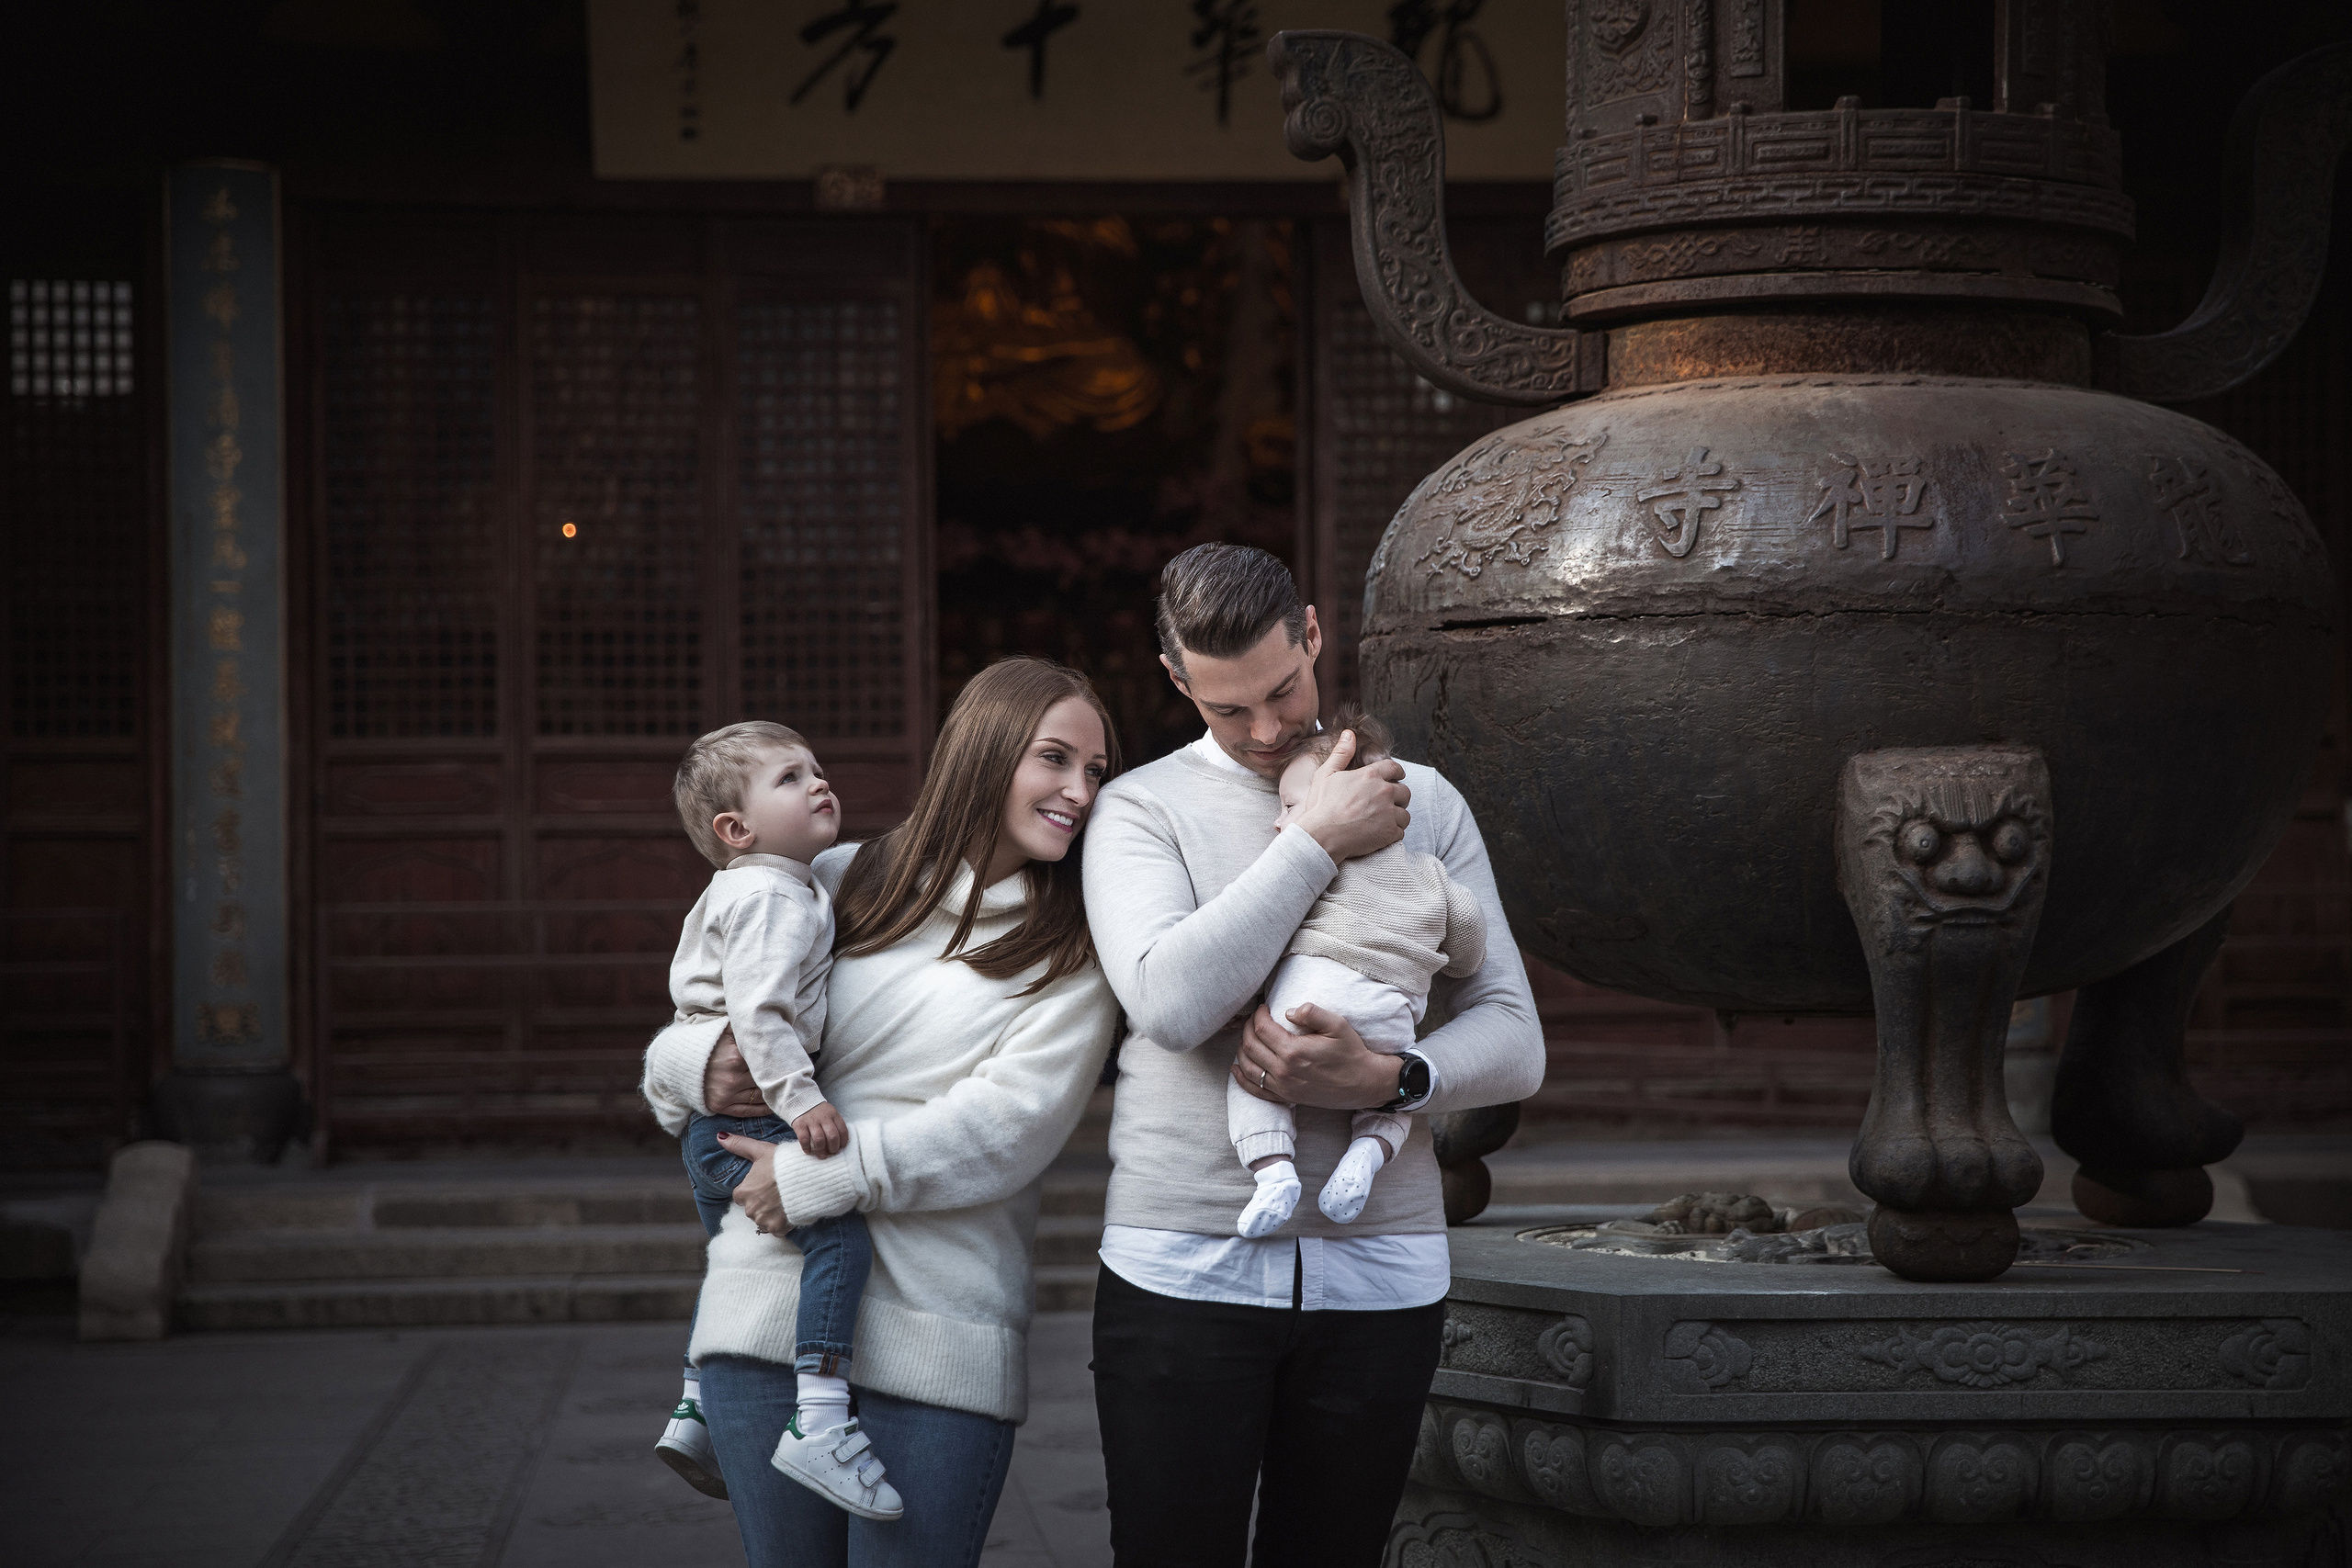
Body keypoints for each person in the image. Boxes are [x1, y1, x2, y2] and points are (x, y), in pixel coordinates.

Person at [1081, 543, 1544, 1568]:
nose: (1265, 730)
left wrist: (1393, 1080)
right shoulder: (1141, 807)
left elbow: (1515, 1035)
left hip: (1381, 1268)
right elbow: (1170, 1003)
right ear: (1176, 682)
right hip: (1186, 1259)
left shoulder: (1425, 800)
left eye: (1283, 691)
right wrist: (1315, 838)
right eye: (1227, 708)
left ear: (1314, 635)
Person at [639, 656, 1124, 1568]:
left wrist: (814, 1177)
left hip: (941, 1337)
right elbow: (700, 1019)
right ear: (983, 751)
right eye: (1055, 758)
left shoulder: (1073, 950)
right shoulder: (836, 876)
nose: (1080, 791)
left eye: (1095, 770)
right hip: (765, 1313)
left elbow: (1005, 1127)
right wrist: (699, 1064)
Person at [642, 719, 899, 1518]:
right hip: (752, 1124)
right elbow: (759, 1014)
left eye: (817, 768)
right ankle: (819, 1418)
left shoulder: (777, 884)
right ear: (736, 829)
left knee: (732, 1255)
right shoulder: (769, 895)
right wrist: (803, 1100)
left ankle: (695, 1405)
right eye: (790, 777)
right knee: (840, 1237)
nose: (819, 781)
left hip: (707, 1129)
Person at [1230, 706, 1487, 1239]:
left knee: (1255, 1085)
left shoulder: (1311, 870)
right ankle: (1365, 1155)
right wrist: (1454, 957)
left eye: (1291, 806)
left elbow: (1257, 938)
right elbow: (1468, 943)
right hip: (1389, 1020)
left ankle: (1273, 1173)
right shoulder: (1430, 873)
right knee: (1393, 1098)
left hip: (1302, 1012)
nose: (1278, 822)